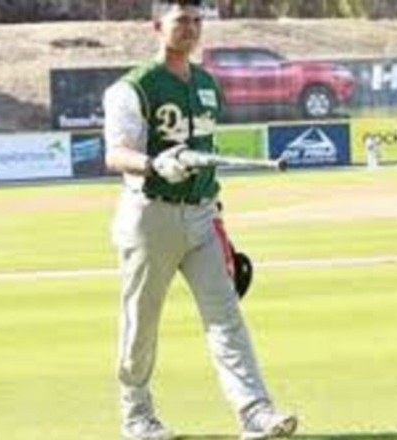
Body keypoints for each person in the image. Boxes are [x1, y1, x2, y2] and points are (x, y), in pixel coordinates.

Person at [102, 1, 297, 439]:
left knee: (226, 317)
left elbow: (204, 154)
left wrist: (217, 215)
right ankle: (137, 418)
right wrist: (154, 164)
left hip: (203, 216)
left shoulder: (208, 84)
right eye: (179, 21)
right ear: (157, 27)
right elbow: (114, 154)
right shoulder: (132, 87)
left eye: (195, 20)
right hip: (150, 214)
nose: (189, 28)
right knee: (141, 322)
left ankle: (256, 413)